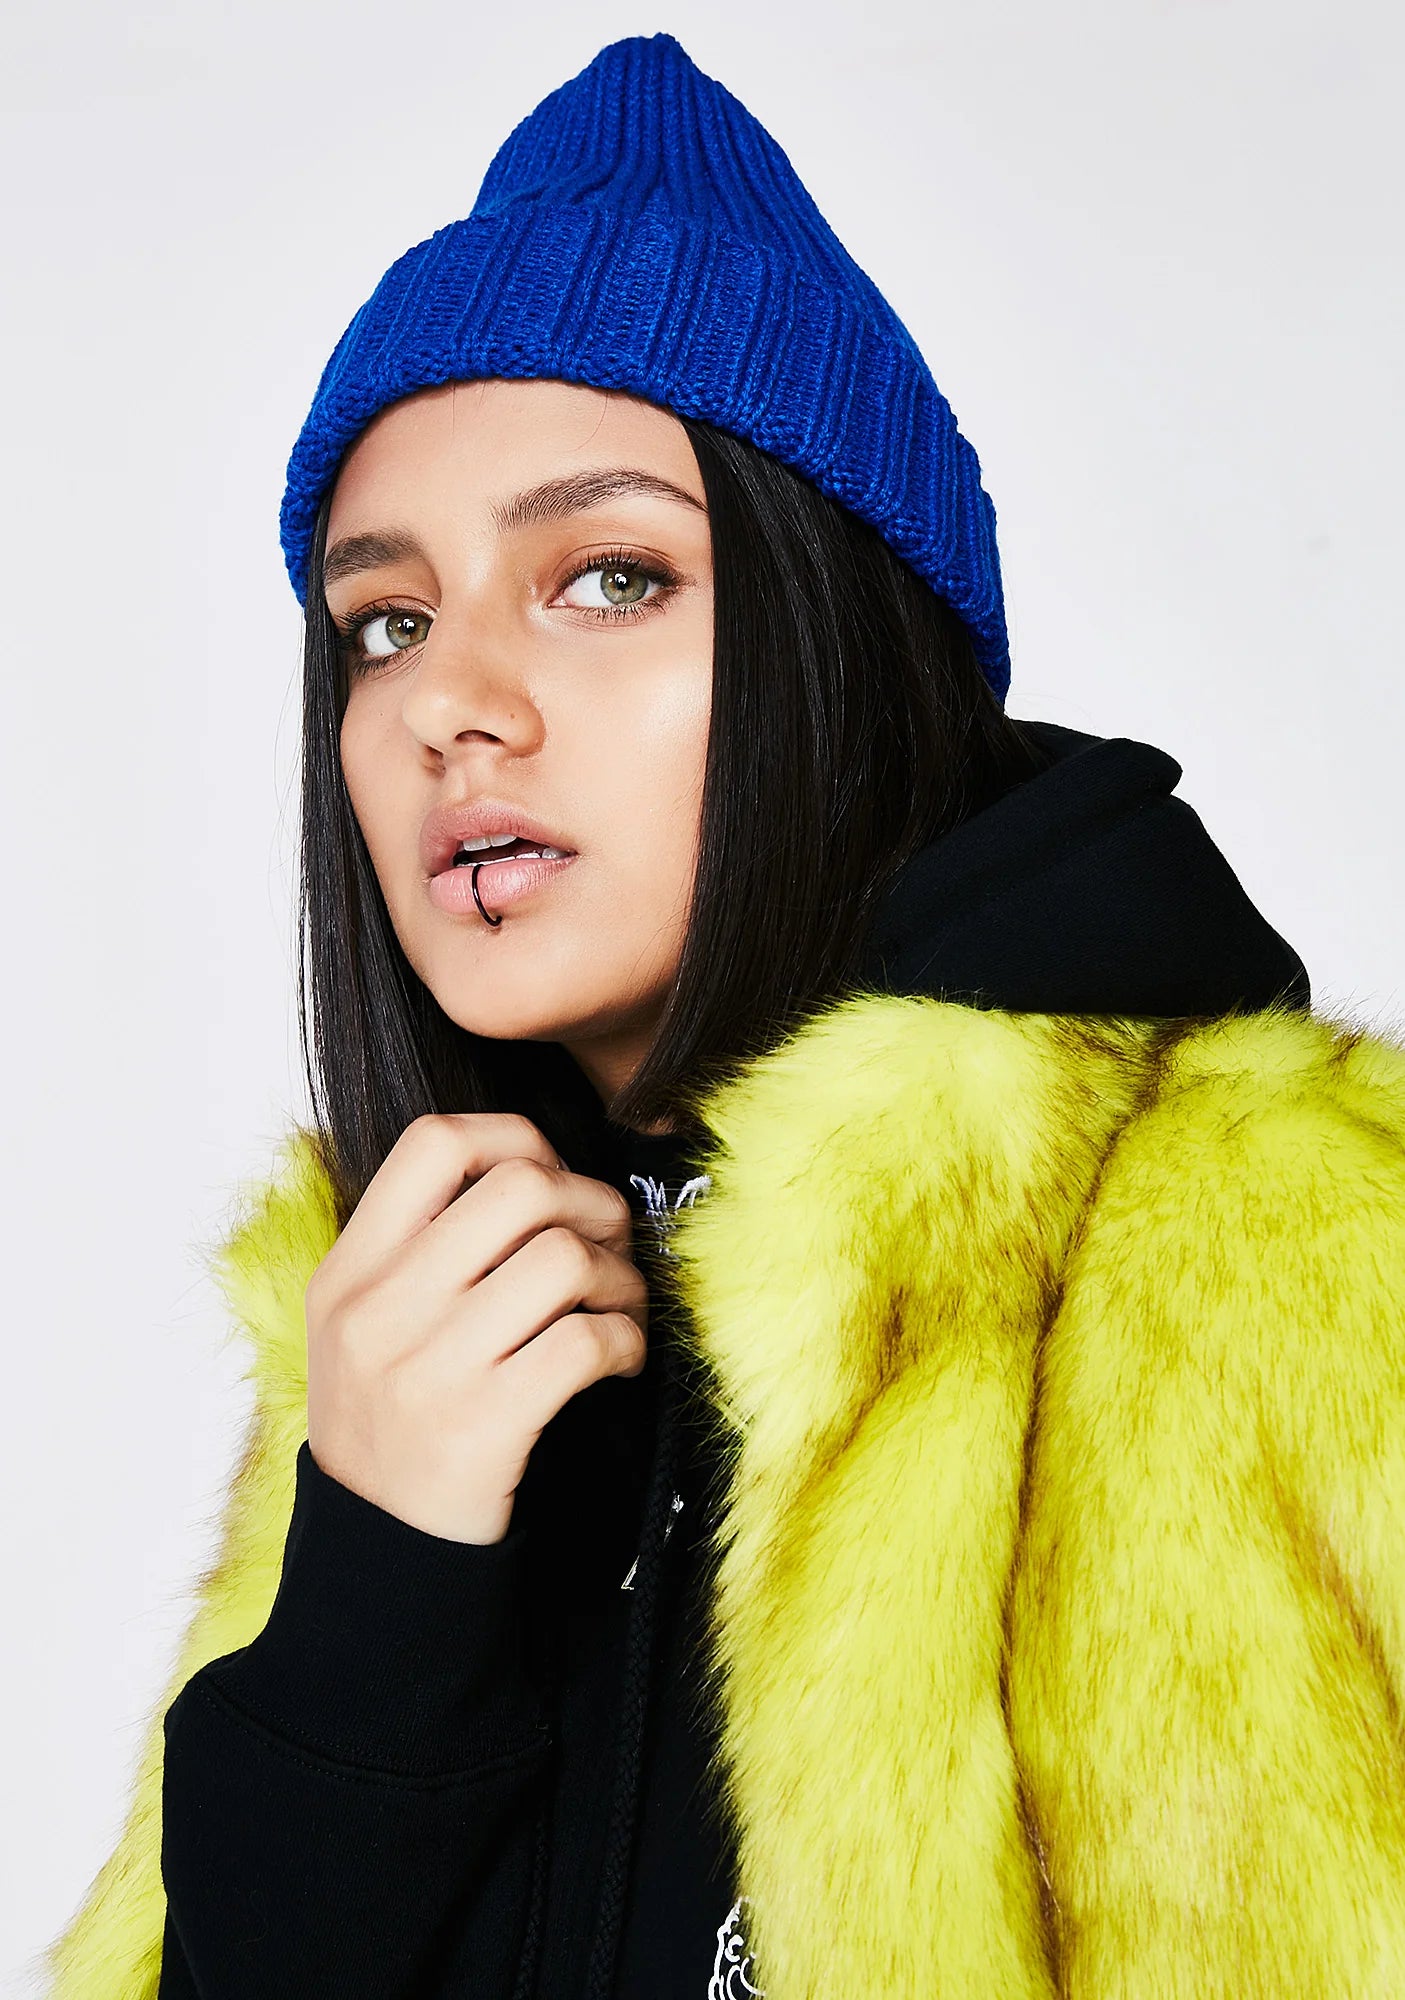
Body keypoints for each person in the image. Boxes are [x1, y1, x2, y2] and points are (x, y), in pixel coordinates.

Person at [46, 30, 1405, 2000]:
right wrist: (376, 1592)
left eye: (608, 577)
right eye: (387, 622)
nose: (449, 703)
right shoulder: (399, 1326)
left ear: (839, 635)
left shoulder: (1262, 1239)